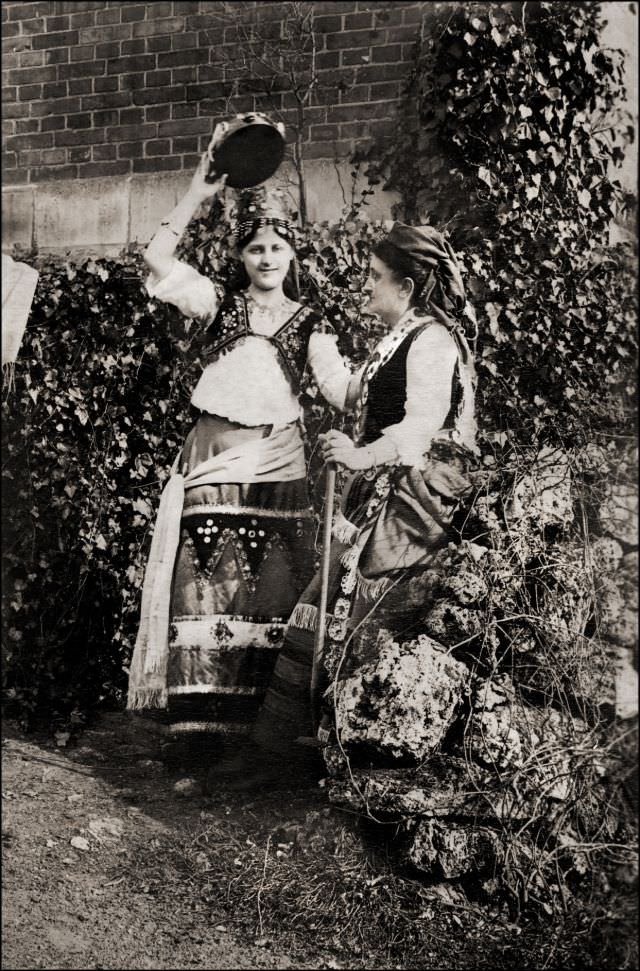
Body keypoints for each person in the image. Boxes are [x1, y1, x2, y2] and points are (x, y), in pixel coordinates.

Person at [223, 221, 479, 787]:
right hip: (384, 492)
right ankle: (284, 758)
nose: (364, 285)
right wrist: (303, 330)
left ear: (407, 288)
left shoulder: (431, 340)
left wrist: (361, 458)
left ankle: (313, 763)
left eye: (374, 277)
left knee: (351, 616)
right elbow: (345, 392)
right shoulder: (394, 340)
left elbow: (423, 426)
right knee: (320, 613)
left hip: (418, 499)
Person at [127, 147, 360, 749]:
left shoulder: (311, 322)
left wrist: (404, 364)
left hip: (280, 463)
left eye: (278, 248)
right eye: (256, 247)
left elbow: (339, 387)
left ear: (293, 254)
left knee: (270, 595)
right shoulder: (216, 303)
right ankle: (199, 741)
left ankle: (259, 745)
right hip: (213, 462)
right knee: (202, 591)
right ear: (239, 254)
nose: (267, 258)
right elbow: (155, 258)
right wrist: (198, 194)